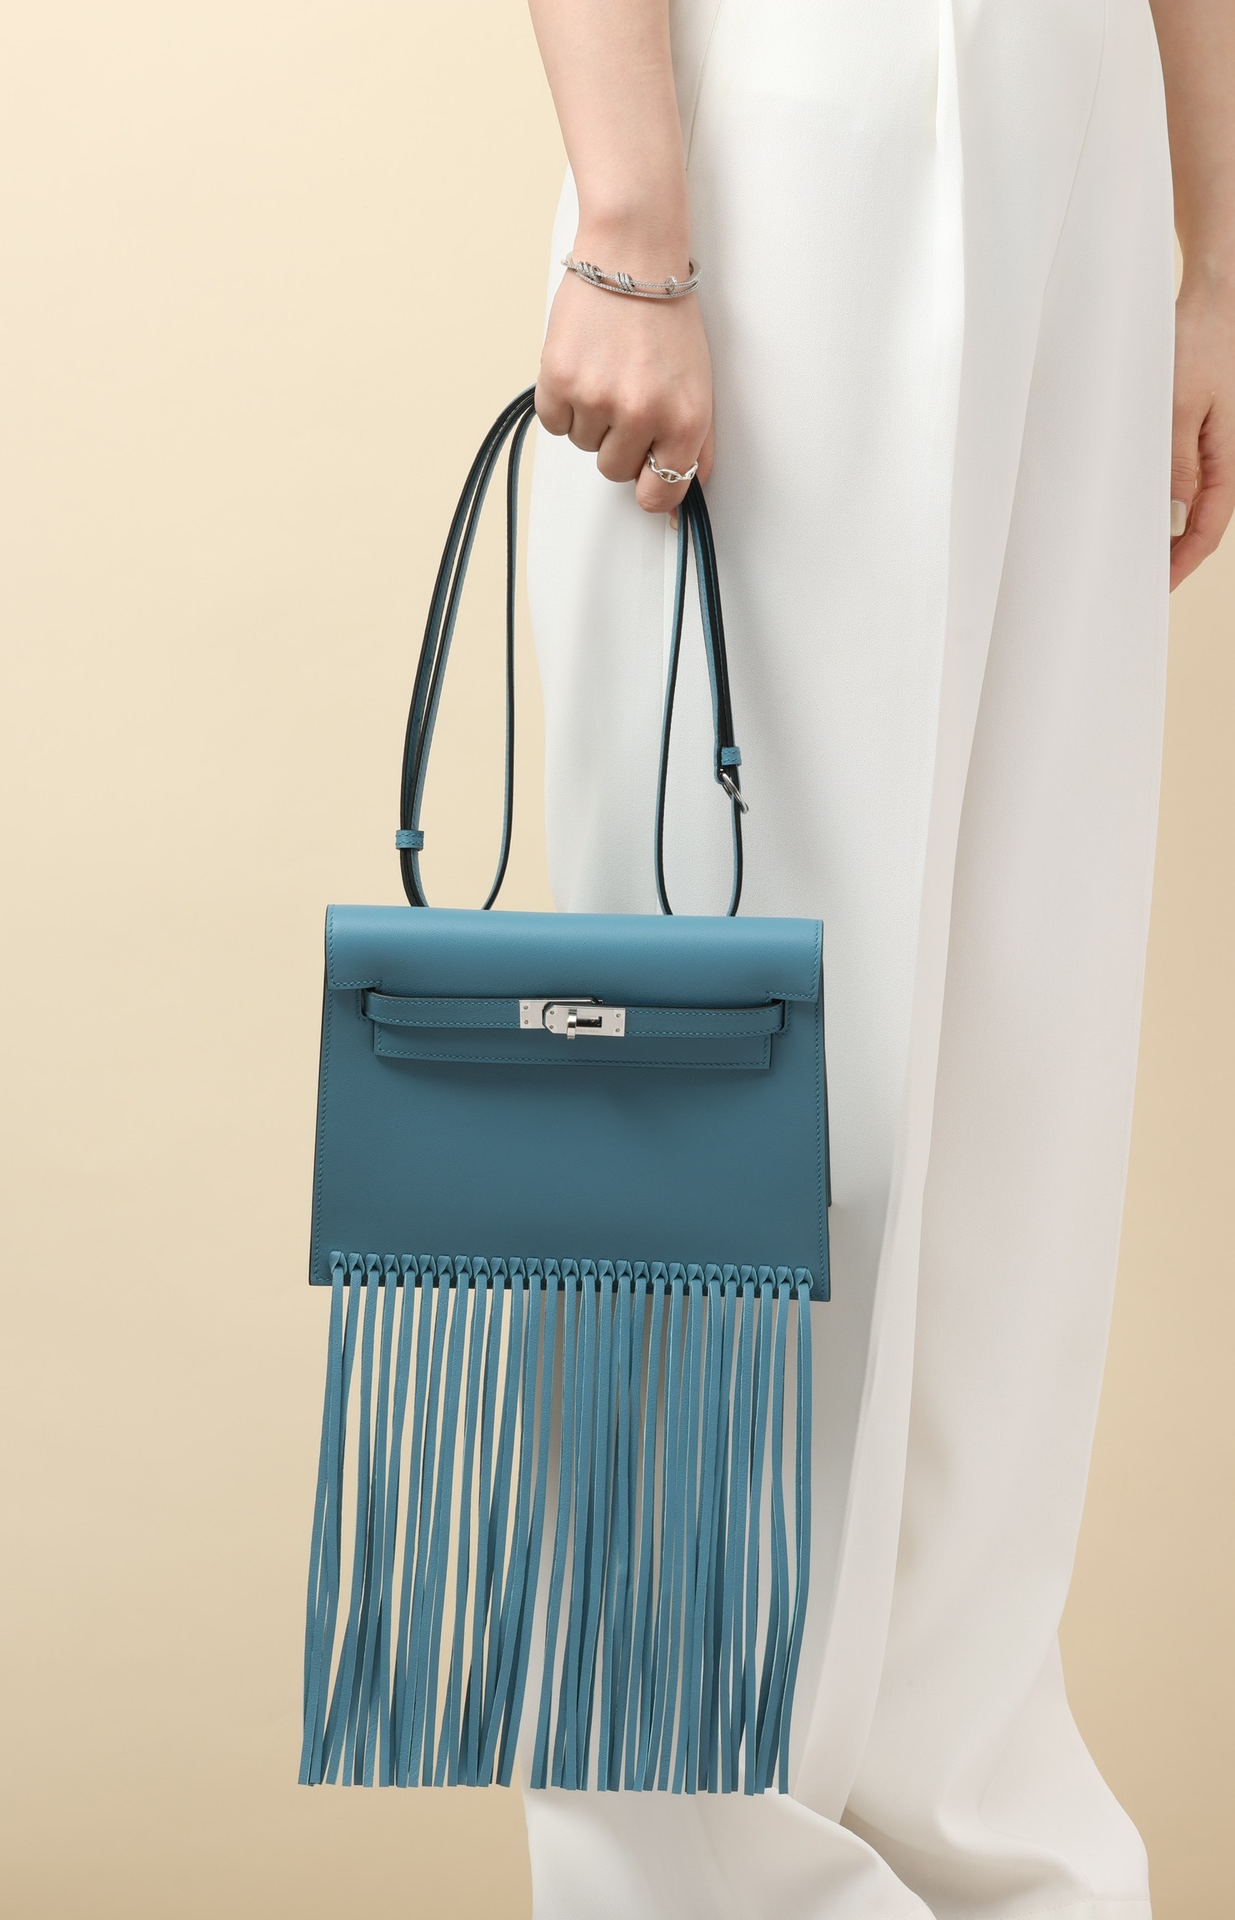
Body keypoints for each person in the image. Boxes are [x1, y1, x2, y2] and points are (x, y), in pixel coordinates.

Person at [520, 2, 1234, 1917]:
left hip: (1080, 130)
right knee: (726, 1112)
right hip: (779, 129)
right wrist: (632, 217)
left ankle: (985, 1857)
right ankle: (697, 1871)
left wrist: (1217, 256)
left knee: (1015, 1080)